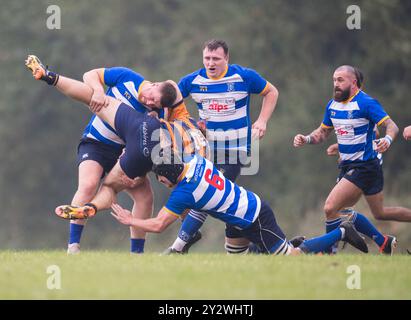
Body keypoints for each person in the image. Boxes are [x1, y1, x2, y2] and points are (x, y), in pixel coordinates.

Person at [25, 55, 209, 244]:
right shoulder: (128, 77)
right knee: (89, 185)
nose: (150, 102)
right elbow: (90, 74)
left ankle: (136, 253)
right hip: (96, 144)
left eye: (155, 104)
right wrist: (98, 90)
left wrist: (139, 174)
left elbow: (157, 150)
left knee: (145, 197)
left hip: (125, 152)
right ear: (154, 84)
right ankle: (73, 245)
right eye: (152, 97)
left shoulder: (159, 113)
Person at [56, 154, 369, 256]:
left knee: (292, 257)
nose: (162, 186)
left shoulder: (184, 193)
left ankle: (341, 233)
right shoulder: (197, 161)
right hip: (240, 214)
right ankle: (278, 247)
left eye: (161, 182)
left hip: (254, 215)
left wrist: (129, 221)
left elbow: (158, 225)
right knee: (233, 258)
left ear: (166, 180)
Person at [167, 39, 280, 254]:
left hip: (236, 150)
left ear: (226, 58)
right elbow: (170, 98)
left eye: (216, 59)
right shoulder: (193, 80)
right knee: (199, 191)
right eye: (207, 58)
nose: (211, 63)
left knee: (207, 190)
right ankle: (261, 245)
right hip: (207, 151)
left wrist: (262, 121)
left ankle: (178, 247)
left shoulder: (243, 76)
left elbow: (272, 92)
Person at [293, 65, 411, 254]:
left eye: (340, 80)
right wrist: (306, 138)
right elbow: (323, 132)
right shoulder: (332, 105)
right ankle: (383, 242)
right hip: (350, 166)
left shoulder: (366, 103)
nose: (336, 84)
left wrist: (388, 140)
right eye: (334, 80)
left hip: (364, 167)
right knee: (378, 213)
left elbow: (391, 126)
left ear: (353, 83)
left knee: (330, 208)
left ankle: (329, 251)